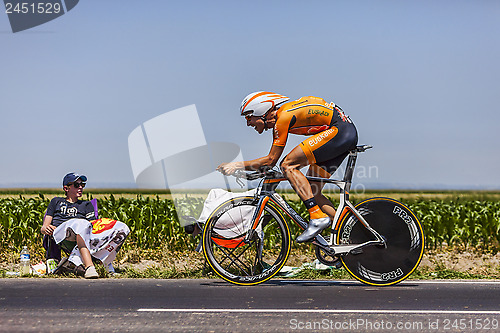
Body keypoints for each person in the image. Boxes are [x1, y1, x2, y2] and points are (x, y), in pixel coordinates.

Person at [217, 91, 358, 243]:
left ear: (261, 110)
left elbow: (270, 160)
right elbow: (268, 163)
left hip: (339, 132)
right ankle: (347, 239)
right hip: (343, 133)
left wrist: (236, 165)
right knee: (313, 191)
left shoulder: (282, 118)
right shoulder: (284, 115)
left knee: (288, 165)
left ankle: (317, 217)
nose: (248, 123)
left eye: (249, 117)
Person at [41, 172, 99, 279]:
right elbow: (44, 227)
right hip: (59, 234)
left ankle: (72, 264)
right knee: (79, 223)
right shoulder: (56, 202)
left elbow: (93, 227)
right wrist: (46, 229)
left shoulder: (86, 205)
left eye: (82, 185)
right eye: (76, 185)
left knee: (82, 225)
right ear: (66, 188)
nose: (80, 187)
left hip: (79, 235)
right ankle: (89, 267)